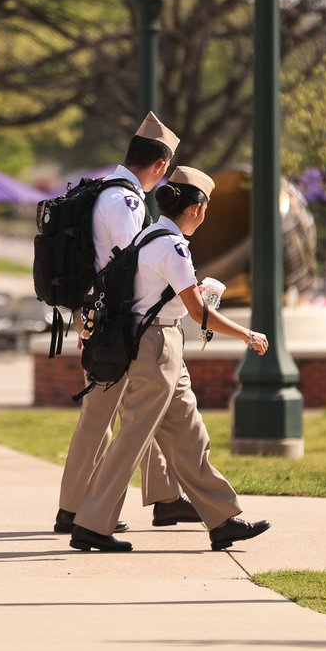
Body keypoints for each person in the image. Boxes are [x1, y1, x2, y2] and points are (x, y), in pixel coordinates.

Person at [69, 167, 272, 553]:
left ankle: (222, 519)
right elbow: (199, 313)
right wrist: (246, 334)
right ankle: (91, 524)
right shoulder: (173, 247)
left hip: (160, 346)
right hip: (157, 347)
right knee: (133, 438)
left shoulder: (149, 236)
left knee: (190, 436)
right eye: (206, 209)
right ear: (196, 209)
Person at [54, 113, 201, 536]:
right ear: (160, 165)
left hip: (107, 318)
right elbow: (129, 267)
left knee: (142, 407)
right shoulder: (126, 202)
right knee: (104, 414)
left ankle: (165, 497)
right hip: (116, 322)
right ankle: (75, 509)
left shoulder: (109, 192)